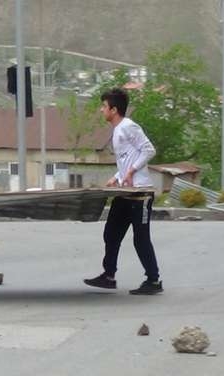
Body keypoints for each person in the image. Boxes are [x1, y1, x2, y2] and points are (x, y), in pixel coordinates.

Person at [83, 88, 163, 295]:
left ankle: (153, 281)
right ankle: (108, 275)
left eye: (104, 107)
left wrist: (131, 172)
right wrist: (118, 177)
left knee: (141, 239)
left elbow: (149, 150)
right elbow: (126, 162)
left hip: (140, 193)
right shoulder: (118, 130)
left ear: (114, 109)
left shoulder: (129, 127)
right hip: (125, 192)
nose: (102, 110)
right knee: (111, 233)